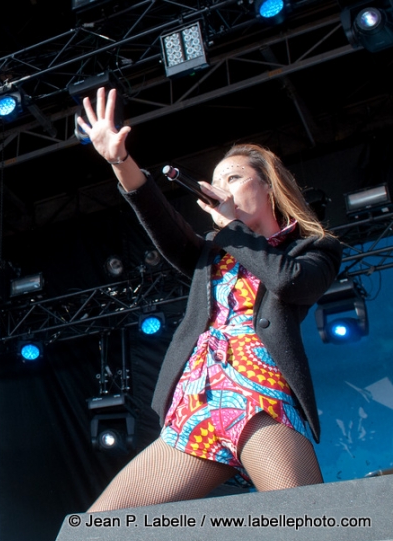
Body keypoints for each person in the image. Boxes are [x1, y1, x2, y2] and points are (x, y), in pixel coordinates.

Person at [77, 88, 342, 511]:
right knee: (96, 529)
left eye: (233, 178)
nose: (222, 189)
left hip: (259, 398)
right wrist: (119, 160)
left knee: (309, 525)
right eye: (216, 184)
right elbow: (160, 219)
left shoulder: (313, 249)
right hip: (195, 407)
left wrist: (233, 229)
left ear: (269, 186)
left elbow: (292, 284)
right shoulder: (210, 254)